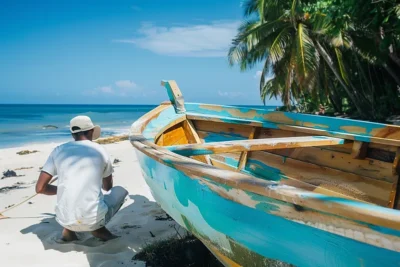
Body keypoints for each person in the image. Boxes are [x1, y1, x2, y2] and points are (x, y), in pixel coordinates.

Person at [35, 115, 128, 241]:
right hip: (92, 220)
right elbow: (108, 187)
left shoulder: (58, 151)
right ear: (91, 131)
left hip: (64, 220)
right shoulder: (100, 150)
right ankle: (98, 229)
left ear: (73, 134)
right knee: (121, 191)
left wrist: (66, 189)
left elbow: (40, 188)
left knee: (71, 203)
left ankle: (69, 231)